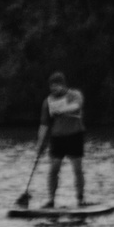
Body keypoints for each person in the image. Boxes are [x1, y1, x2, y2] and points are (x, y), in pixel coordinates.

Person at [37, 73, 86, 206]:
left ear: (63, 85)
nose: (53, 89)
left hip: (75, 135)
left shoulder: (74, 95)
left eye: (56, 86)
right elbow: (44, 124)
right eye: (51, 86)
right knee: (54, 168)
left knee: (77, 168)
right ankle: (51, 200)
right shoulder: (48, 101)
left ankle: (80, 199)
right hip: (57, 138)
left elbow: (76, 106)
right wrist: (40, 143)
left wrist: (62, 110)